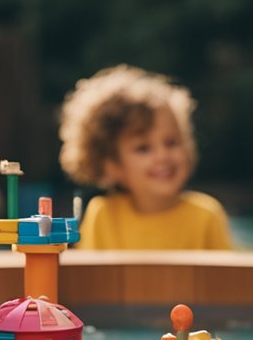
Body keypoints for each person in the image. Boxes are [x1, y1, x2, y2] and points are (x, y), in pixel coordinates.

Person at [59, 65, 233, 250]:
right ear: (112, 164)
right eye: (143, 148)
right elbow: (93, 277)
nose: (162, 156)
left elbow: (226, 278)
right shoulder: (102, 214)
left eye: (171, 142)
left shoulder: (207, 215)